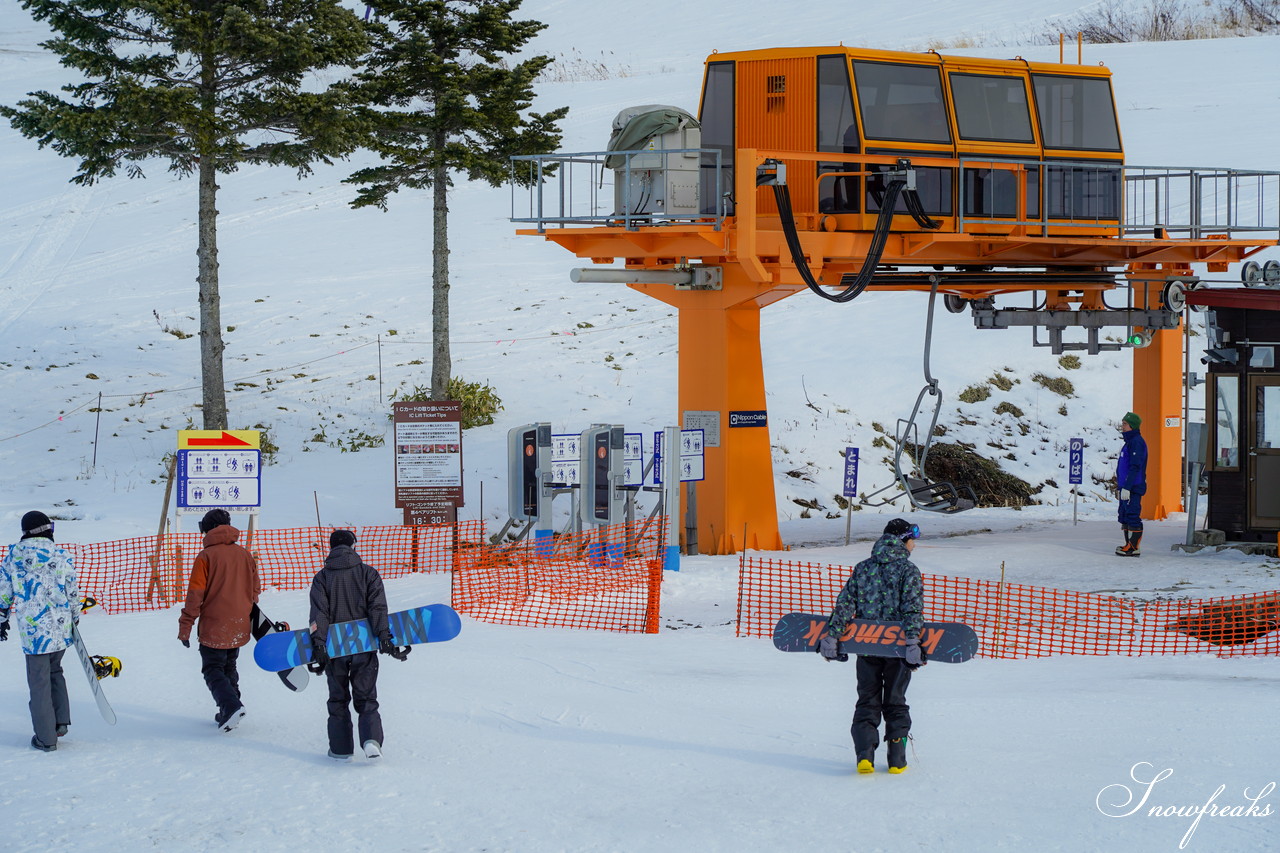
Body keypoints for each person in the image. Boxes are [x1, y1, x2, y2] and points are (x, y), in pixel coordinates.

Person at [820, 518, 925, 775]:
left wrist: (833, 635)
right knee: (896, 702)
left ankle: (864, 756)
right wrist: (913, 642)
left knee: (867, 700)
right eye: (913, 539)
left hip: (866, 648)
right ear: (902, 540)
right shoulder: (907, 570)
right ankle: (897, 760)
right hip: (898, 649)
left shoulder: (863, 568)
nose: (915, 545)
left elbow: (845, 603)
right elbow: (912, 609)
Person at [308, 529, 407, 762]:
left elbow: (318, 614)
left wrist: (319, 645)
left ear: (331, 548)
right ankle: (371, 740)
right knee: (366, 697)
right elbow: (378, 608)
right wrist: (384, 636)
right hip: (364, 647)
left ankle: (341, 749)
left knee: (338, 699)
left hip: (334, 649)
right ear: (353, 546)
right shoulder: (368, 574)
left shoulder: (322, 577)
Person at [0, 511, 80, 752]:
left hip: (34, 634)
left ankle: (46, 738)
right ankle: (60, 722)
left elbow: (4, 592)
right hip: (60, 628)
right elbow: (72, 592)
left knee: (38, 682)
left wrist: (2, 617)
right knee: (55, 670)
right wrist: (74, 619)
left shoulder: (13, 556)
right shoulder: (62, 555)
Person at [177, 508, 260, 732]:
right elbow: (255, 590)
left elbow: (195, 595)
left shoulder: (205, 557)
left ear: (207, 528)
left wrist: (186, 626)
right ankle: (229, 710)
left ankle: (231, 706)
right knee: (229, 665)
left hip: (214, 624)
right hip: (239, 624)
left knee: (213, 668)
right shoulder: (244, 554)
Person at [1116, 412, 1148, 557]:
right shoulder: (1129, 442)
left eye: (1124, 424)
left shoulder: (1137, 442)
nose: (1122, 426)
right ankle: (1128, 544)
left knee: (1133, 514)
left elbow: (1135, 466)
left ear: (1132, 426)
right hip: (1125, 487)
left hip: (1133, 487)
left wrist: (1128, 487)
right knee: (1124, 515)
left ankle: (1133, 547)